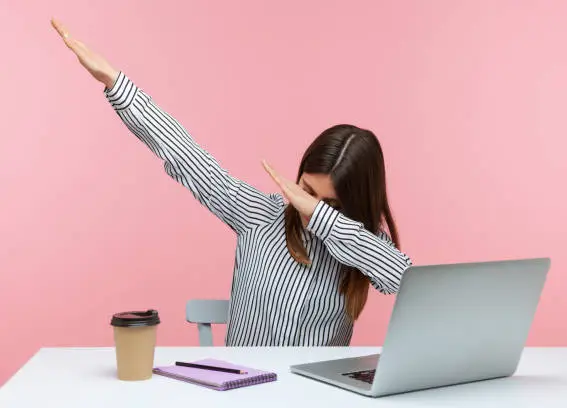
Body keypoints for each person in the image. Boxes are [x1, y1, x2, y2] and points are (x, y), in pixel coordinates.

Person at [51, 19, 412, 346]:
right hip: (243, 390)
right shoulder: (260, 214)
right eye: (305, 189)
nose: (304, 205)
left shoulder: (363, 244)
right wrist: (116, 83)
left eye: (325, 202)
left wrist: (321, 217)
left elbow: (403, 279)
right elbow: (187, 156)